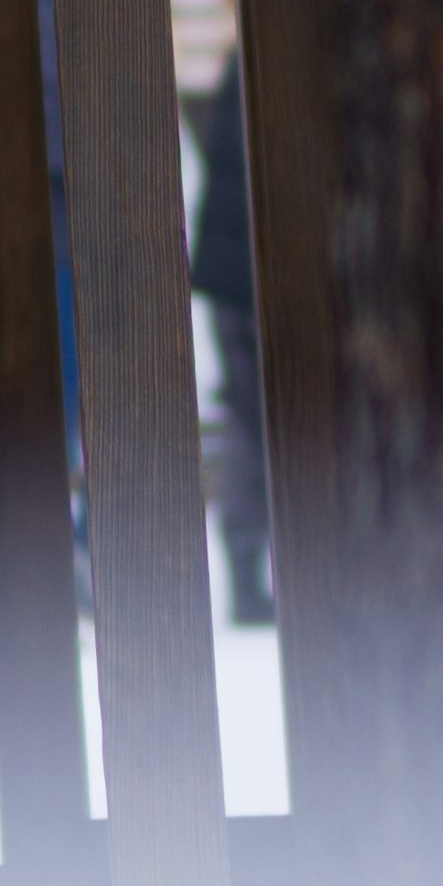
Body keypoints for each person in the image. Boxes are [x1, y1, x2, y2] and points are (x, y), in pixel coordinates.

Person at [192, 54, 274, 626]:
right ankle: (251, 575)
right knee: (262, 428)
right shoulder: (281, 54)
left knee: (250, 428)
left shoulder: (247, 62)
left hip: (233, 278)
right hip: (258, 278)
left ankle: (248, 574)